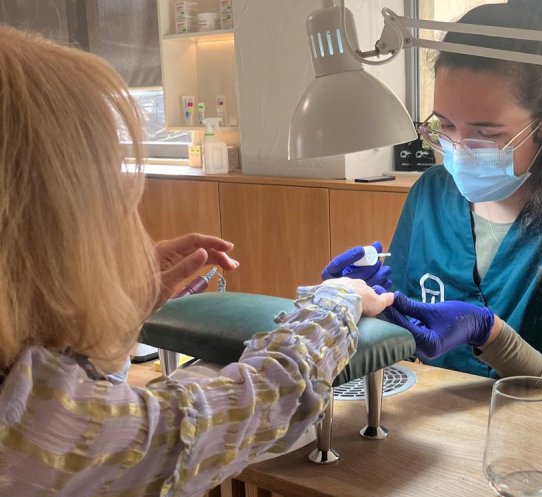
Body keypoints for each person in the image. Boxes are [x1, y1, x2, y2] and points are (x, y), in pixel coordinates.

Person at [0, 26, 393, 496]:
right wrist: (338, 298)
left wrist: (121, 303)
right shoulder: (37, 427)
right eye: (117, 203)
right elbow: (265, 398)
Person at [323, 0, 542, 401]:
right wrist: (362, 307)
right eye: (445, 125)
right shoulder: (432, 193)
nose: (458, 150)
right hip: (431, 427)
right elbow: (402, 346)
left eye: (487, 133)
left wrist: (492, 336)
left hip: (540, 436)